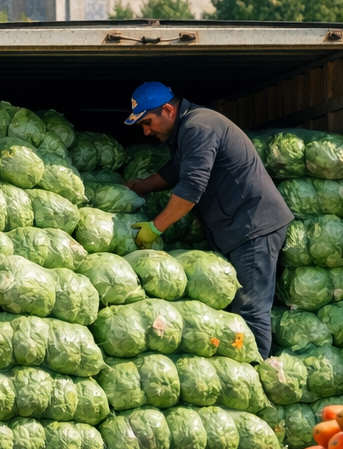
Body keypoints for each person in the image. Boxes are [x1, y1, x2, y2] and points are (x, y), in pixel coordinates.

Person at [123, 81, 294, 357]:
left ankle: (255, 377)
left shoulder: (198, 127)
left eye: (148, 122)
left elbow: (191, 186)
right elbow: (177, 170)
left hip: (253, 227)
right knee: (242, 308)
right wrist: (142, 186)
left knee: (250, 310)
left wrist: (156, 227)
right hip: (240, 228)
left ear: (167, 109)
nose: (146, 131)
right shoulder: (188, 129)